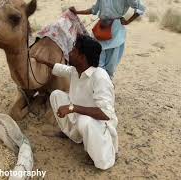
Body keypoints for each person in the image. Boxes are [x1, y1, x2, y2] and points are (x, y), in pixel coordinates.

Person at [35, 34, 118, 170]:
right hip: (81, 114)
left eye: (74, 50)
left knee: (84, 121)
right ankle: (72, 135)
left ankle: (100, 155)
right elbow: (60, 68)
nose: (70, 52)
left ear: (82, 57)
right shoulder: (76, 70)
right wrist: (42, 60)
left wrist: (72, 107)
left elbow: (105, 113)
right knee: (56, 95)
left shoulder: (100, 77)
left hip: (98, 123)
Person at [69, 0, 146, 78]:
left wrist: (128, 21)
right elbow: (94, 10)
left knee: (110, 68)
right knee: (97, 65)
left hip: (115, 33)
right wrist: (77, 12)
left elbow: (140, 8)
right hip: (100, 32)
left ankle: (106, 86)